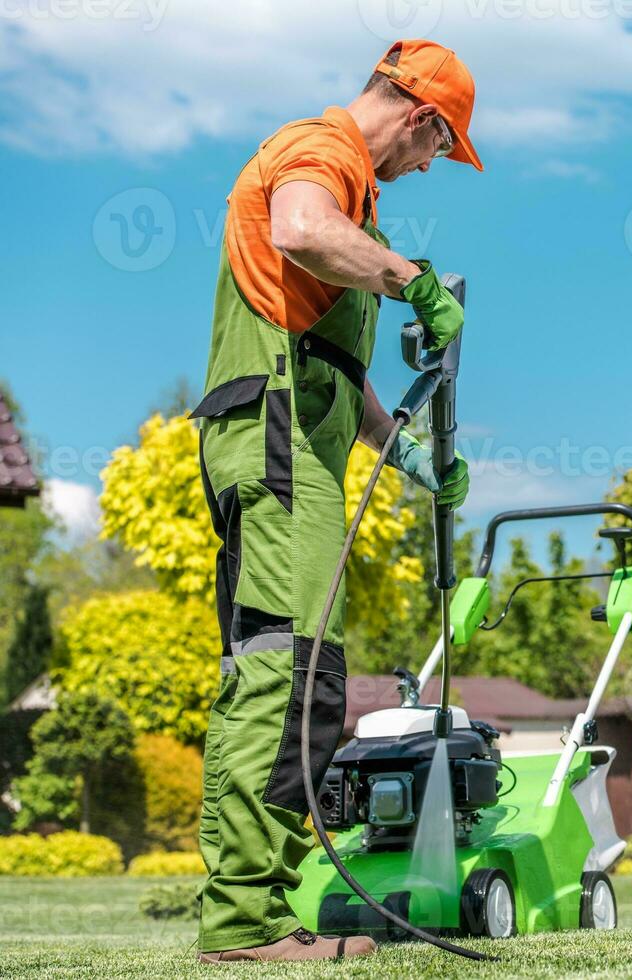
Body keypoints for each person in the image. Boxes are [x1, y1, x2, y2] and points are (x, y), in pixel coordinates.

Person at [189, 39, 481, 963]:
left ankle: (259, 910)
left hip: (296, 441)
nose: (433, 165)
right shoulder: (322, 152)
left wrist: (411, 459)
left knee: (301, 669)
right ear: (422, 116)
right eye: (442, 147)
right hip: (272, 442)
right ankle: (245, 926)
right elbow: (300, 230)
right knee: (285, 671)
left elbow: (333, 371)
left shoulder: (359, 191)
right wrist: (412, 279)